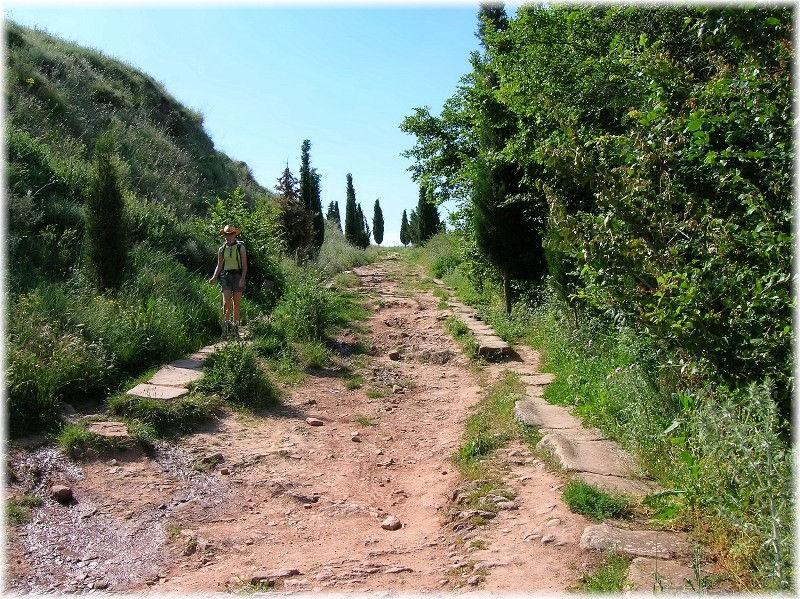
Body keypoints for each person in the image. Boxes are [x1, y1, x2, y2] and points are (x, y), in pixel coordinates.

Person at [209, 224, 248, 336]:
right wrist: (214, 277)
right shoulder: (222, 249)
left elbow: (245, 265)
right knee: (226, 303)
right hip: (225, 276)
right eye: (227, 234)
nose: (228, 237)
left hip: (237, 276)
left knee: (236, 304)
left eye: (231, 234)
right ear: (224, 235)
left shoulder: (241, 248)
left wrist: (243, 278)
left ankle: (235, 329)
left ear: (234, 234)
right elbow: (219, 265)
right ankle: (226, 329)